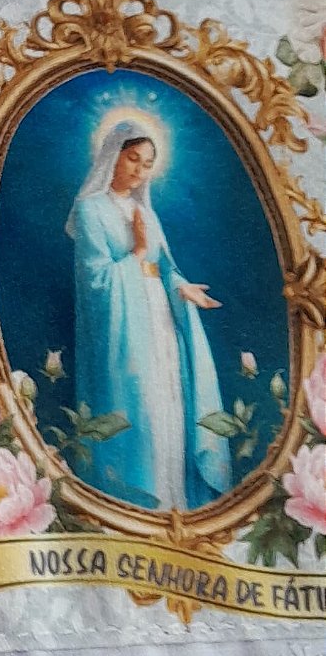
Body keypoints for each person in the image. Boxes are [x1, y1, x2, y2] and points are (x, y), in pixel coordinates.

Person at [67, 113, 230, 513]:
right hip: (125, 324)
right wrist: (138, 253)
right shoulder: (90, 210)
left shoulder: (148, 213)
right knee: (141, 400)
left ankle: (174, 501)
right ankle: (141, 502)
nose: (139, 170)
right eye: (133, 159)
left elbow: (164, 268)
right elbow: (96, 280)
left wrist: (182, 287)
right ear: (113, 156)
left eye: (147, 163)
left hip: (160, 316)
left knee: (168, 396)